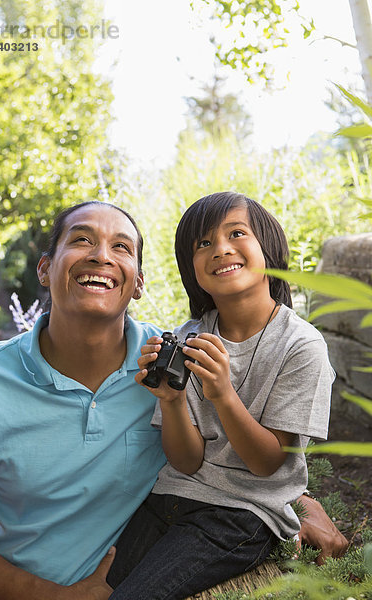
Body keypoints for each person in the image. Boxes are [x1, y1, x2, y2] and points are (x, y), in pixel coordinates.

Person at [0, 199, 347, 600]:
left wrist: (297, 501)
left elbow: (262, 454)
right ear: (45, 269)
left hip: (183, 537)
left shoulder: (166, 357)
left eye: (120, 247)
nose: (100, 256)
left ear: (138, 283)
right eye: (82, 239)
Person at [106, 192, 344, 600]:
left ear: (269, 248)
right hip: (170, 498)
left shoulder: (301, 346)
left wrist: (223, 394)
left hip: (240, 514)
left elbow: (268, 463)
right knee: (101, 586)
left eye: (236, 233)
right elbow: (186, 460)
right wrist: (171, 399)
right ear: (191, 267)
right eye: (203, 243)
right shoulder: (188, 338)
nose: (220, 249)